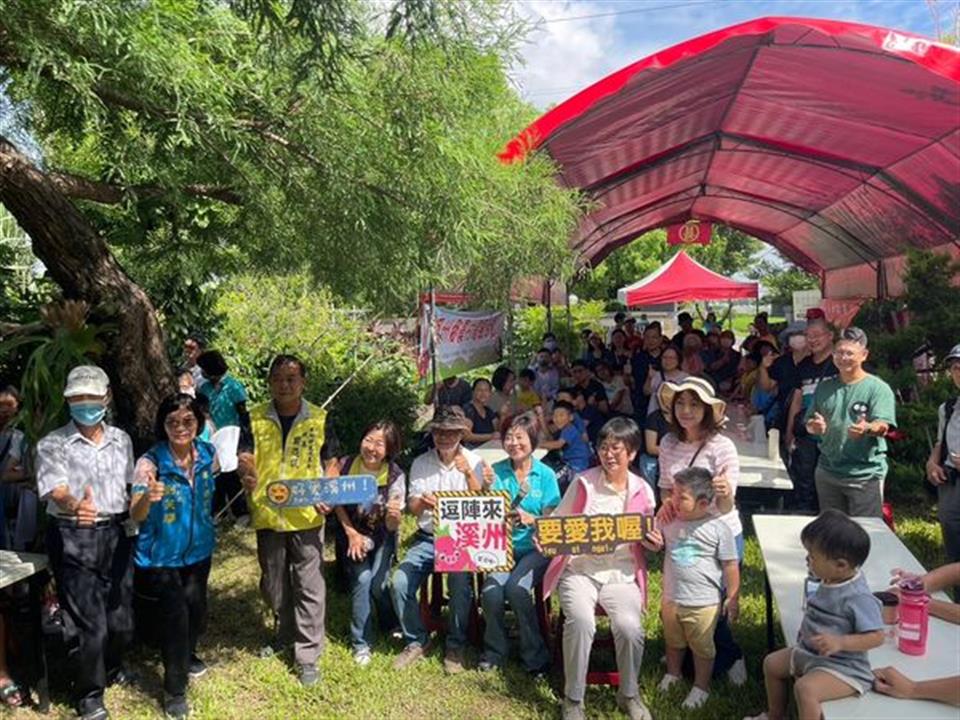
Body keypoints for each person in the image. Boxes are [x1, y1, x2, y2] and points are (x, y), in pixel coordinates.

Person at [544, 417, 661, 720]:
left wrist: (653, 542)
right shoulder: (583, 482)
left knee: (630, 627)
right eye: (604, 447)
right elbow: (559, 522)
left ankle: (629, 694)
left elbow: (649, 537)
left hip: (621, 574)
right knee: (581, 621)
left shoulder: (642, 491)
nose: (608, 454)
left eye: (616, 449)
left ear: (632, 453)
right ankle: (573, 699)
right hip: (579, 571)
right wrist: (547, 539)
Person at [36, 365, 136, 720]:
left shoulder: (121, 439)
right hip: (73, 534)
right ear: (68, 400)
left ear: (106, 397)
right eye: (78, 397)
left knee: (120, 616)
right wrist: (77, 505)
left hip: (118, 532)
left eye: (92, 396)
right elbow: (55, 488)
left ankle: (112, 666)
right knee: (90, 622)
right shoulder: (52, 443)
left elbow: (129, 486)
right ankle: (89, 694)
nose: (86, 403)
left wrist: (144, 501)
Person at [238, 354, 339, 687]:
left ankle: (307, 656)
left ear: (303, 382)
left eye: (292, 378)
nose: (285, 384)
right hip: (268, 513)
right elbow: (246, 453)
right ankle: (283, 631)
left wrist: (329, 490)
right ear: (270, 383)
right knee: (273, 583)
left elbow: (332, 460)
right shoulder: (252, 417)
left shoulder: (320, 418)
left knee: (309, 585)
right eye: (278, 378)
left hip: (307, 515)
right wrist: (247, 471)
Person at [745, 510, 884, 720]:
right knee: (771, 664)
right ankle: (775, 715)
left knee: (805, 689)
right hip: (810, 652)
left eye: (813, 557)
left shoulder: (858, 597)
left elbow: (877, 636)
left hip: (844, 668)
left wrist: (841, 641)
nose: (807, 560)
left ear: (840, 565)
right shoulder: (830, 576)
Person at [130, 394, 218, 720]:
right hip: (161, 557)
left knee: (197, 609)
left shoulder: (208, 454)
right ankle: (175, 690)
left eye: (188, 421)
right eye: (172, 422)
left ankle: (186, 654)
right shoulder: (149, 463)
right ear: (162, 425)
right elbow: (135, 514)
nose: (180, 428)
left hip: (200, 550)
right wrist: (147, 499)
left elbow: (213, 489)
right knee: (177, 618)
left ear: (198, 423)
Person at [656, 376, 746, 684]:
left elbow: (726, 506)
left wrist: (723, 492)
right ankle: (683, 653)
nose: (686, 410)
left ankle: (730, 656)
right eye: (680, 403)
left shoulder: (722, 446)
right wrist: (667, 506)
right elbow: (666, 489)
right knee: (684, 594)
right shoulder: (668, 443)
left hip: (719, 531)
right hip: (682, 532)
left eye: (695, 404)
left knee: (715, 604)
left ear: (708, 410)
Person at [391, 406, 486, 674]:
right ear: (432, 434)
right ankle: (416, 639)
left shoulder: (474, 461)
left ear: (461, 434)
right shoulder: (421, 463)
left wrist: (468, 474)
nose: (444, 437)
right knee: (399, 582)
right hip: (428, 537)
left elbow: (482, 504)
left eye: (451, 433)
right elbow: (412, 505)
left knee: (459, 580)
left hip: (461, 539)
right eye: (439, 432)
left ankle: (456, 644)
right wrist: (422, 501)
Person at [479, 412, 560, 674]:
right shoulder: (497, 472)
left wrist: (531, 519)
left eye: (519, 437)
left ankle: (535, 656)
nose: (513, 443)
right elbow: (483, 513)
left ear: (533, 440)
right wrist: (483, 488)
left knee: (516, 589)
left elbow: (552, 521)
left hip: (535, 549)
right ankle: (495, 651)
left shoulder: (545, 475)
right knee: (491, 592)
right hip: (501, 548)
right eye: (508, 437)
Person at [658, 466, 740, 709]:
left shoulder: (718, 528)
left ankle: (701, 686)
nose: (673, 500)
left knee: (702, 646)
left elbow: (730, 565)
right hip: (672, 597)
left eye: (681, 497)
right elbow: (650, 535)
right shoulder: (669, 521)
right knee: (673, 640)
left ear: (703, 503)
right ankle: (673, 673)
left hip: (703, 603)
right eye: (673, 493)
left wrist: (733, 596)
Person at [332, 421, 406, 666]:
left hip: (382, 536)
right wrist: (351, 533)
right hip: (351, 534)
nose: (371, 448)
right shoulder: (344, 465)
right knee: (362, 579)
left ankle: (388, 621)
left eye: (379, 444)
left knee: (378, 583)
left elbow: (393, 526)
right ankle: (361, 643)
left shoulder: (395, 475)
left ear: (390, 449)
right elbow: (337, 503)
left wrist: (394, 517)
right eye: (368, 440)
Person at [804, 327, 896, 518]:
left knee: (866, 532)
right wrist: (813, 426)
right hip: (828, 471)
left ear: (864, 355)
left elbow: (883, 426)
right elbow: (809, 421)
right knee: (832, 531)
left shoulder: (878, 388)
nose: (843, 357)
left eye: (849, 353)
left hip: (864, 475)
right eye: (838, 352)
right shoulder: (825, 387)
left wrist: (867, 428)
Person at [785, 318, 837, 513]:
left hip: (832, 436)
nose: (812, 340)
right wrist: (789, 432)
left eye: (817, 335)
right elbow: (797, 400)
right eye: (808, 336)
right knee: (804, 483)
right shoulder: (804, 366)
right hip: (806, 434)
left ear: (830, 336)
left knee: (828, 486)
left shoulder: (839, 363)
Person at [196, 350, 251, 522]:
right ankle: (218, 510)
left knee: (231, 473)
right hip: (211, 436)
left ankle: (241, 511)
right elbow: (202, 410)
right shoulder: (204, 388)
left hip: (231, 436)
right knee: (214, 473)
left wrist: (244, 437)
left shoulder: (233, 386)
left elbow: (243, 414)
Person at [927, 343, 960, 593]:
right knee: (952, 537)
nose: (959, 373)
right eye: (956, 368)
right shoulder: (948, 407)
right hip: (950, 481)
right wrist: (932, 462)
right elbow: (940, 442)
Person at [0, 385, 35, 551]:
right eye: (1, 404)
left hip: (10, 505)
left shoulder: (20, 438)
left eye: (10, 405)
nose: (4, 410)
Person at [758, 330, 809, 440]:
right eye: (793, 335)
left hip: (808, 416)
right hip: (783, 417)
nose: (797, 338)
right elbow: (767, 387)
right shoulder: (782, 362)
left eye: (802, 334)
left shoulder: (815, 361)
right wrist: (763, 368)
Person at [541, 401, 593, 492]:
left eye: (561, 415)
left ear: (571, 417)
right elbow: (550, 438)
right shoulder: (565, 429)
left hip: (577, 466)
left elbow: (558, 444)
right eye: (555, 416)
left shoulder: (569, 429)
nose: (557, 419)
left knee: (553, 480)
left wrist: (537, 445)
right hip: (573, 463)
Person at [644, 345, 687, 416]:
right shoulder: (656, 375)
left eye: (671, 358)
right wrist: (649, 378)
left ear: (678, 360)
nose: (668, 361)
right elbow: (646, 392)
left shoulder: (685, 378)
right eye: (665, 357)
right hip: (655, 415)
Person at [462, 378, 499, 448]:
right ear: (473, 392)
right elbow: (466, 436)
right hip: (474, 450)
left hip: (490, 448)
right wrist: (490, 436)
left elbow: (497, 429)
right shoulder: (468, 409)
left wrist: (503, 414)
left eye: (486, 390)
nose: (483, 393)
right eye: (479, 390)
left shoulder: (488, 410)